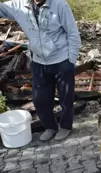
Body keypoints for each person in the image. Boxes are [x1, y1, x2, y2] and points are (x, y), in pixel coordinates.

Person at [0, 0, 81, 141]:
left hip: (61, 59)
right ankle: (50, 127)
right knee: (40, 99)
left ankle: (65, 127)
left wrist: (71, 61)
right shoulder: (19, 5)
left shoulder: (60, 5)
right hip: (38, 61)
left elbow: (73, 34)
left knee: (65, 97)